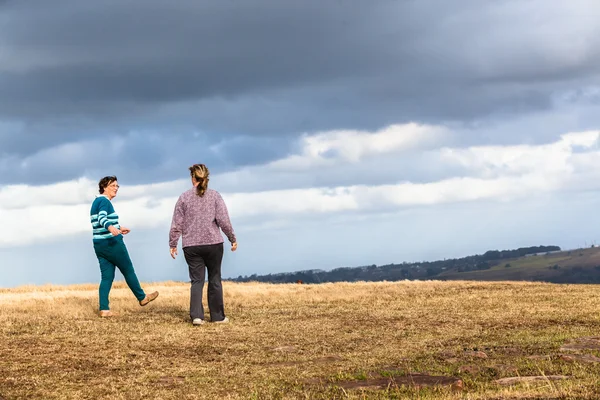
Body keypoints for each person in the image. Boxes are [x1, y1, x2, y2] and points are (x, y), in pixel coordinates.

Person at [169, 164, 237, 325]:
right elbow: (224, 221)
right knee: (214, 279)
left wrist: (173, 243)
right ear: (207, 178)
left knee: (197, 281)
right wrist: (232, 238)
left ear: (193, 178)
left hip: (191, 246)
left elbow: (176, 224)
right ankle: (218, 317)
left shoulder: (184, 197)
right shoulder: (215, 196)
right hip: (214, 243)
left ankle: (197, 316)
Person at [90, 176, 159, 317]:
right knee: (128, 269)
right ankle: (142, 298)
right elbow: (102, 219)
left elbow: (97, 223)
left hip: (99, 244)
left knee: (106, 277)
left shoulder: (96, 202)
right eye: (113, 185)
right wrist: (111, 228)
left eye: (117, 186)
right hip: (112, 243)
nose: (116, 188)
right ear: (104, 187)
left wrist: (118, 227)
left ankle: (104, 309)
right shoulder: (104, 201)